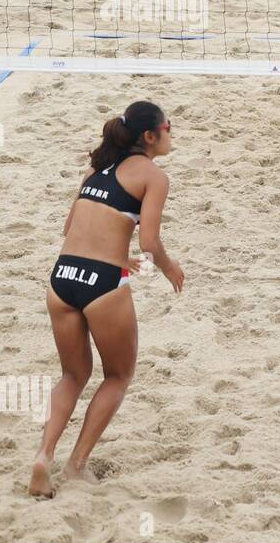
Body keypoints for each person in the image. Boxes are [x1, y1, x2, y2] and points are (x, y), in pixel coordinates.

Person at [30, 101, 183, 497]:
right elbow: (150, 242)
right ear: (150, 136)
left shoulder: (95, 172)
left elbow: (72, 228)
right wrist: (168, 267)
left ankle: (42, 456)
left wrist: (117, 253)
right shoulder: (153, 176)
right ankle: (76, 466)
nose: (172, 132)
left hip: (62, 278)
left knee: (72, 375)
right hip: (101, 283)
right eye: (169, 126)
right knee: (117, 375)